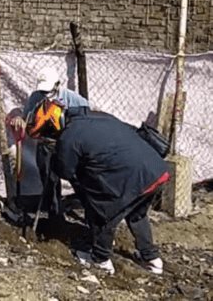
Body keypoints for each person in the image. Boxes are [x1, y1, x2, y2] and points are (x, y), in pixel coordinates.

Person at [27, 98, 170, 276]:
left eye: (46, 133)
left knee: (102, 214)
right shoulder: (97, 116)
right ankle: (152, 259)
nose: (47, 138)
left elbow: (65, 170)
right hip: (156, 171)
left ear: (53, 125)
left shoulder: (69, 137)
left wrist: (56, 157)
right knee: (137, 214)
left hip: (132, 177)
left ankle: (100, 260)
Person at [10, 67, 89, 219]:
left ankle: (90, 213)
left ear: (57, 85)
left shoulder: (74, 101)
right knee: (48, 180)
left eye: (49, 91)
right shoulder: (36, 97)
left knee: (77, 178)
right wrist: (20, 118)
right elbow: (27, 117)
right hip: (45, 145)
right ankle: (55, 214)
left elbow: (84, 125)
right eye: (43, 92)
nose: (46, 95)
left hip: (68, 146)